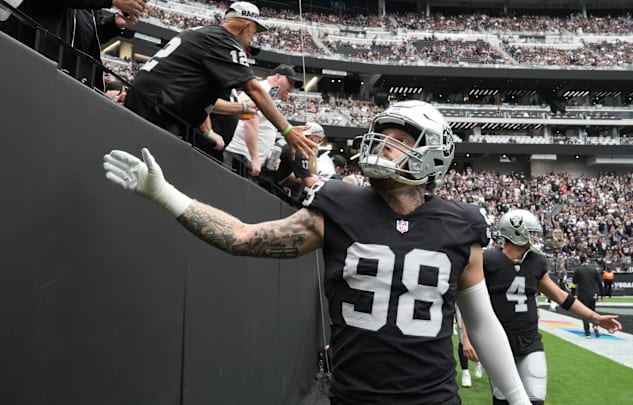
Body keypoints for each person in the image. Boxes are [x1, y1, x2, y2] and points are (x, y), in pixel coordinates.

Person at [102, 100, 532, 404]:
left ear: (434, 154)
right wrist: (165, 194)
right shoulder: (339, 205)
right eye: (381, 137)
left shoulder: (461, 224)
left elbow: (482, 321)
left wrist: (516, 399)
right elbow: (242, 238)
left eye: (399, 139)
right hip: (354, 396)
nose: (384, 147)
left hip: (432, 398)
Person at [123, 2, 314, 160]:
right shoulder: (223, 41)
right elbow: (253, 89)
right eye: (254, 32)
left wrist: (243, 109)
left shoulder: (208, 34)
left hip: (153, 104)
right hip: (156, 111)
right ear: (247, 26)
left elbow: (203, 98)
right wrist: (287, 129)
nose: (251, 39)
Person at [483, 209, 622, 404]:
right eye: (530, 233)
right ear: (516, 232)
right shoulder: (487, 260)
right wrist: (468, 337)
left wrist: (595, 318)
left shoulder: (536, 261)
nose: (534, 238)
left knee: (536, 396)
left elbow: (560, 296)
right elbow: (471, 301)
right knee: (503, 399)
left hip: (530, 339)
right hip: (499, 341)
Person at [1, 0, 145, 89]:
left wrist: (113, 24)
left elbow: (85, 36)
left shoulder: (88, 8)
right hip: (29, 73)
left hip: (72, 85)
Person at [223, 64, 303, 176]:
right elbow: (250, 123)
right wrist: (255, 158)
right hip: (240, 155)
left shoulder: (269, 94)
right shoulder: (261, 90)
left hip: (247, 158)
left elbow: (262, 126)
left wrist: (267, 155)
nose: (292, 87)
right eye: (290, 82)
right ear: (278, 77)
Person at [271, 122, 325, 203]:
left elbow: (286, 173)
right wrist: (324, 181)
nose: (318, 144)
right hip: (267, 184)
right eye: (319, 140)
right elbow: (309, 182)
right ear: (312, 137)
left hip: (266, 179)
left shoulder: (286, 141)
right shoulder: (298, 150)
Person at [573, 254, 605, 338]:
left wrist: (572, 295)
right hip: (593, 294)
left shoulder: (578, 270)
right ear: (587, 259)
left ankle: (587, 333)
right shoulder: (593, 269)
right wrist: (602, 294)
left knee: (584, 313)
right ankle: (595, 326)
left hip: (583, 294)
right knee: (593, 311)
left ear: (580, 260)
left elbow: (573, 284)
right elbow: (600, 283)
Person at [455, 306, 483, 388]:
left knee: (478, 335)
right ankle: (465, 373)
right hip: (461, 301)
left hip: (477, 300)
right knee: (462, 340)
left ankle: (477, 361)